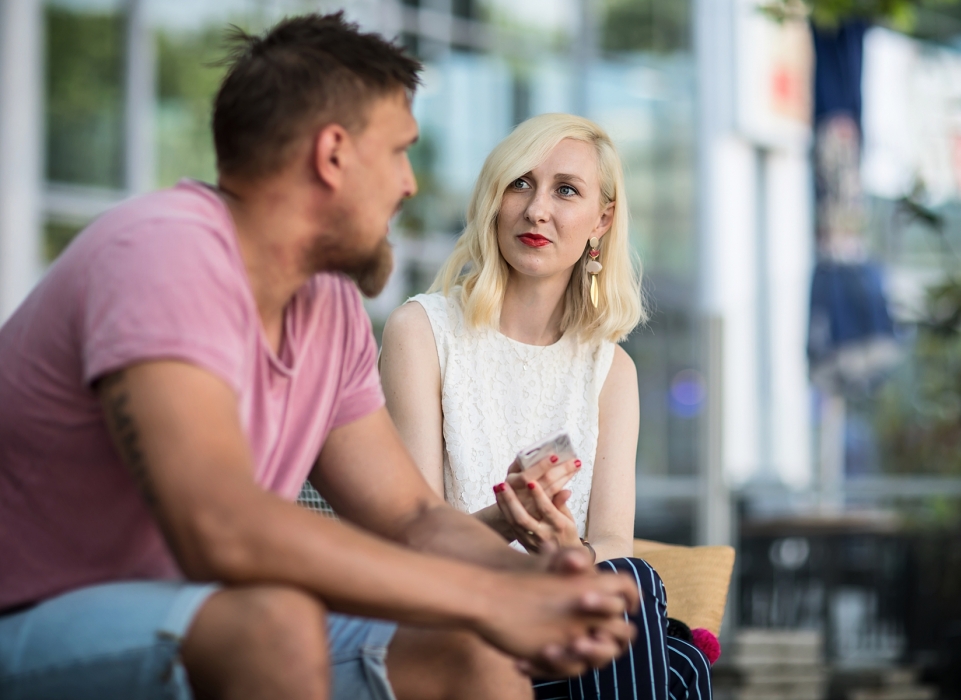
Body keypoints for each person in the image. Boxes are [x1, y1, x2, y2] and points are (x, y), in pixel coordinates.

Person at [0, 15, 642, 700]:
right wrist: (482, 598)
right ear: (333, 155)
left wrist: (536, 588)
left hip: (200, 618)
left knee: (469, 652)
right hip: (34, 617)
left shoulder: (328, 309)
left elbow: (412, 519)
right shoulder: (163, 255)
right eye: (400, 153)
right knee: (273, 624)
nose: (409, 185)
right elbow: (222, 527)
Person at [380, 113, 713, 699]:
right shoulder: (422, 332)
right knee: (677, 662)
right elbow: (414, 540)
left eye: (566, 190)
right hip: (464, 619)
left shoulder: (611, 371)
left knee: (634, 591)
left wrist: (569, 550)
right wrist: (506, 519)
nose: (537, 210)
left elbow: (612, 539)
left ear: (601, 221)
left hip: (565, 626)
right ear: (494, 200)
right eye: (520, 184)